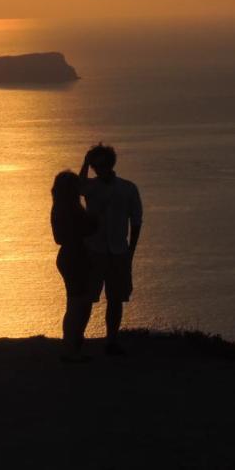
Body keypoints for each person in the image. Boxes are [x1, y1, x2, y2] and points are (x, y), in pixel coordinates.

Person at [79, 143, 143, 355]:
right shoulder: (91, 186)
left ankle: (111, 340)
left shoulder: (127, 188)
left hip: (117, 251)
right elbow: (78, 187)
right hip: (95, 251)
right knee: (87, 297)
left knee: (115, 299)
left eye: (100, 165)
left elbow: (136, 221)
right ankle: (79, 338)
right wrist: (85, 162)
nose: (98, 169)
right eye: (95, 166)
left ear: (110, 164)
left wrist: (130, 251)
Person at [51, 170, 97, 362]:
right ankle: (70, 349)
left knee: (81, 303)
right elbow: (87, 228)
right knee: (77, 304)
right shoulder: (69, 209)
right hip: (74, 257)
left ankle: (74, 346)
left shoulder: (61, 207)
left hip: (72, 256)